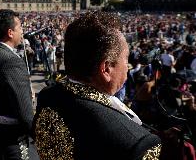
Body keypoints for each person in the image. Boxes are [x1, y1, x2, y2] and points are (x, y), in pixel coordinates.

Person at [34, 11, 163, 159]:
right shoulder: (137, 144)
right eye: (125, 59)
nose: (128, 66)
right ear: (106, 69)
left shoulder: (47, 95)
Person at [0, 9, 39, 160]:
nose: (22, 31)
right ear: (10, 32)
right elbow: (25, 113)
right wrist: (39, 136)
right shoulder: (11, 61)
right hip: (12, 134)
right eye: (20, 27)